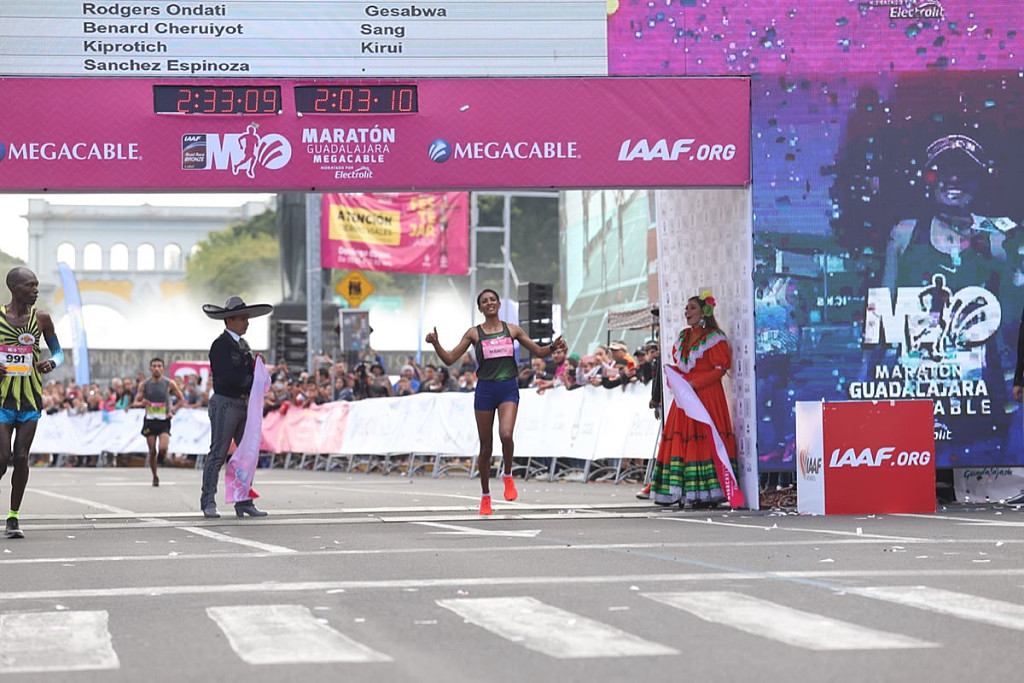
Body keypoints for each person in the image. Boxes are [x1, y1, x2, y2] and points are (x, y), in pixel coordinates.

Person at [425, 288, 567, 515]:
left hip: (508, 388)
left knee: (506, 435)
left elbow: (539, 351)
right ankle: (485, 496)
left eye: (493, 299)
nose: (489, 303)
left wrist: (553, 346)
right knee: (486, 447)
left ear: (499, 304)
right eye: (484, 301)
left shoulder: (513, 330)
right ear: (480, 308)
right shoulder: (474, 333)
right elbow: (450, 359)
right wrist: (436, 343)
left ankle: (507, 474)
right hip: (485, 391)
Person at [649, 294, 739, 509]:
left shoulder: (715, 337)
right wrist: (675, 376)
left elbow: (720, 369)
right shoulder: (684, 336)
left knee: (704, 438)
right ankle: (683, 491)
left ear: (704, 312)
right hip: (686, 396)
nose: (687, 312)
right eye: (686, 308)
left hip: (707, 395)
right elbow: (682, 366)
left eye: (692, 308)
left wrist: (693, 383)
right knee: (683, 438)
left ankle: (707, 492)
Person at [0, 267, 63, 539]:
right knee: (2, 458)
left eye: (36, 285)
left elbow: (58, 352)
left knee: (21, 457)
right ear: (14, 288)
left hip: (30, 401)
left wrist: (51, 363)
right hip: (2, 400)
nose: (35, 290)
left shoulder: (42, 319)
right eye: (30, 285)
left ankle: (13, 517)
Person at [200, 295, 273, 519]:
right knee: (218, 453)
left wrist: (256, 368)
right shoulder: (220, 345)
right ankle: (208, 500)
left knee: (247, 454)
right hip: (226, 403)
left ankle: (244, 501)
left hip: (243, 404)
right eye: (242, 318)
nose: (246, 322)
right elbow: (228, 376)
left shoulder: (243, 345)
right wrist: (252, 379)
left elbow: (244, 372)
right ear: (229, 320)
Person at [131, 357, 185, 487]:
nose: (156, 368)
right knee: (152, 450)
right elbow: (135, 402)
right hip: (150, 420)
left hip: (164, 420)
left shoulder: (169, 383)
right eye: (154, 366)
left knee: (163, 447)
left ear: (163, 368)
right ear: (150, 369)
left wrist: (172, 411)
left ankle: (161, 459)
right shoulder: (144, 384)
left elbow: (181, 399)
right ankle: (155, 475)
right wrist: (141, 403)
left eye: (159, 366)